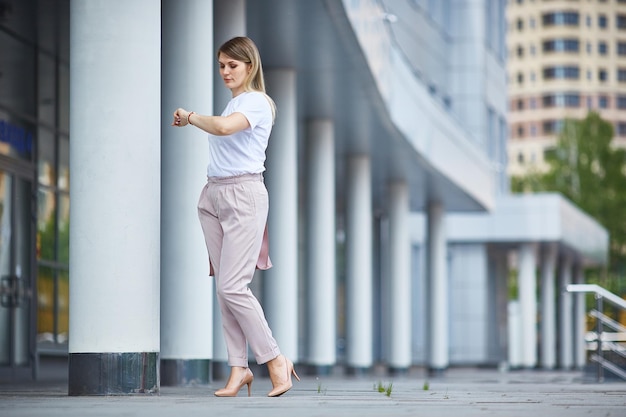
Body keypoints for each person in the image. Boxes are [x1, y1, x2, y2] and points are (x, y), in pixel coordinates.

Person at [171, 36, 298, 397]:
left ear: (250, 67)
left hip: (243, 195)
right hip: (213, 195)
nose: (225, 72)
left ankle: (275, 360)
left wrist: (191, 117)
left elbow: (226, 130)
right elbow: (224, 129)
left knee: (232, 286)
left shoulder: (257, 102)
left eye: (233, 65)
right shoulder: (233, 105)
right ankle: (238, 369)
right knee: (224, 290)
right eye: (222, 65)